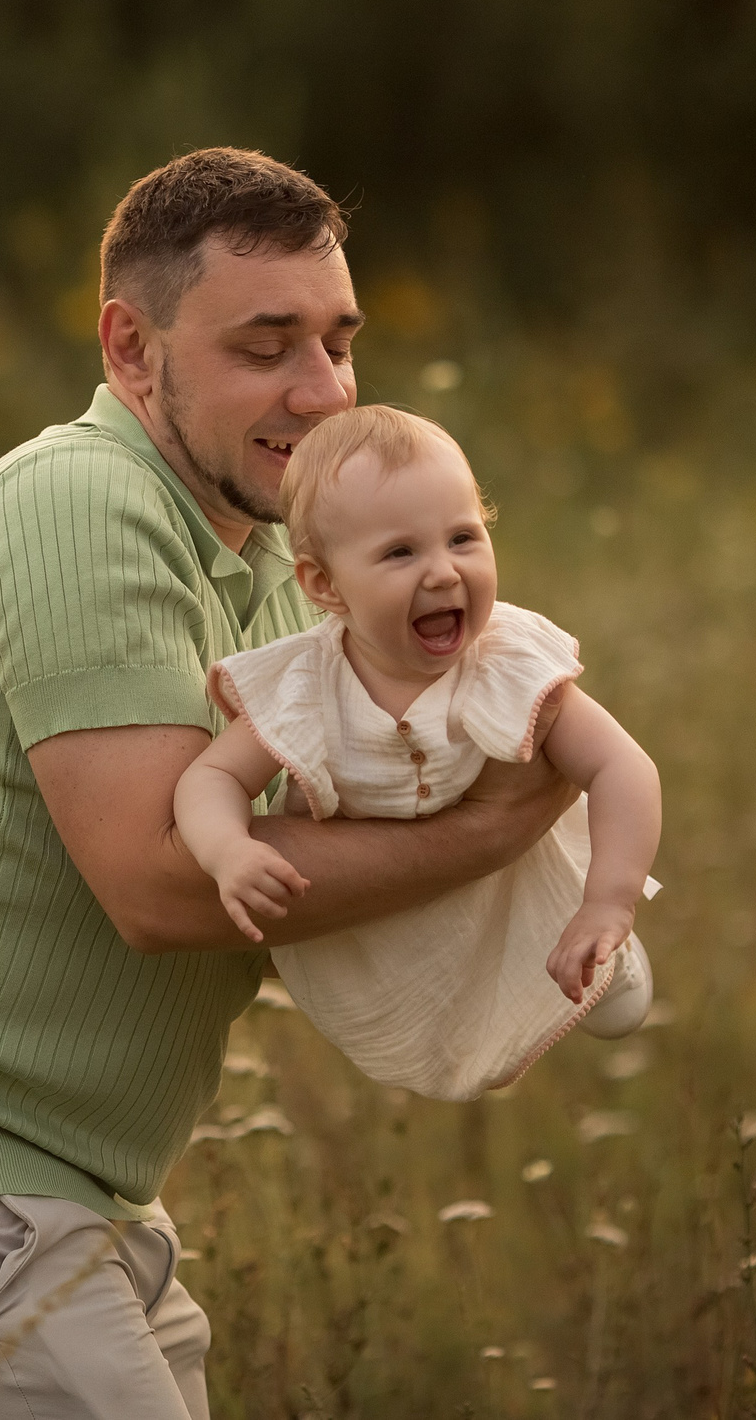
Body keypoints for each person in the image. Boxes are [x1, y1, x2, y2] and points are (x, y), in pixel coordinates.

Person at [0, 148, 578, 1419]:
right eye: (266, 346)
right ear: (132, 350)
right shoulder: (81, 505)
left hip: (59, 1192)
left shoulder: (271, 566)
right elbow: (159, 886)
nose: (323, 388)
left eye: (341, 343)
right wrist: (497, 830)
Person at [174, 405, 664, 1102]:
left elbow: (623, 767)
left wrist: (610, 901)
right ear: (323, 584)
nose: (442, 573)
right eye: (400, 552)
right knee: (423, 993)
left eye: (463, 537)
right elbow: (212, 776)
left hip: (522, 879)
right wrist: (227, 848)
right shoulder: (306, 683)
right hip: (388, 907)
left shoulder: (505, 661)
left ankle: (601, 946)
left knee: (549, 922)